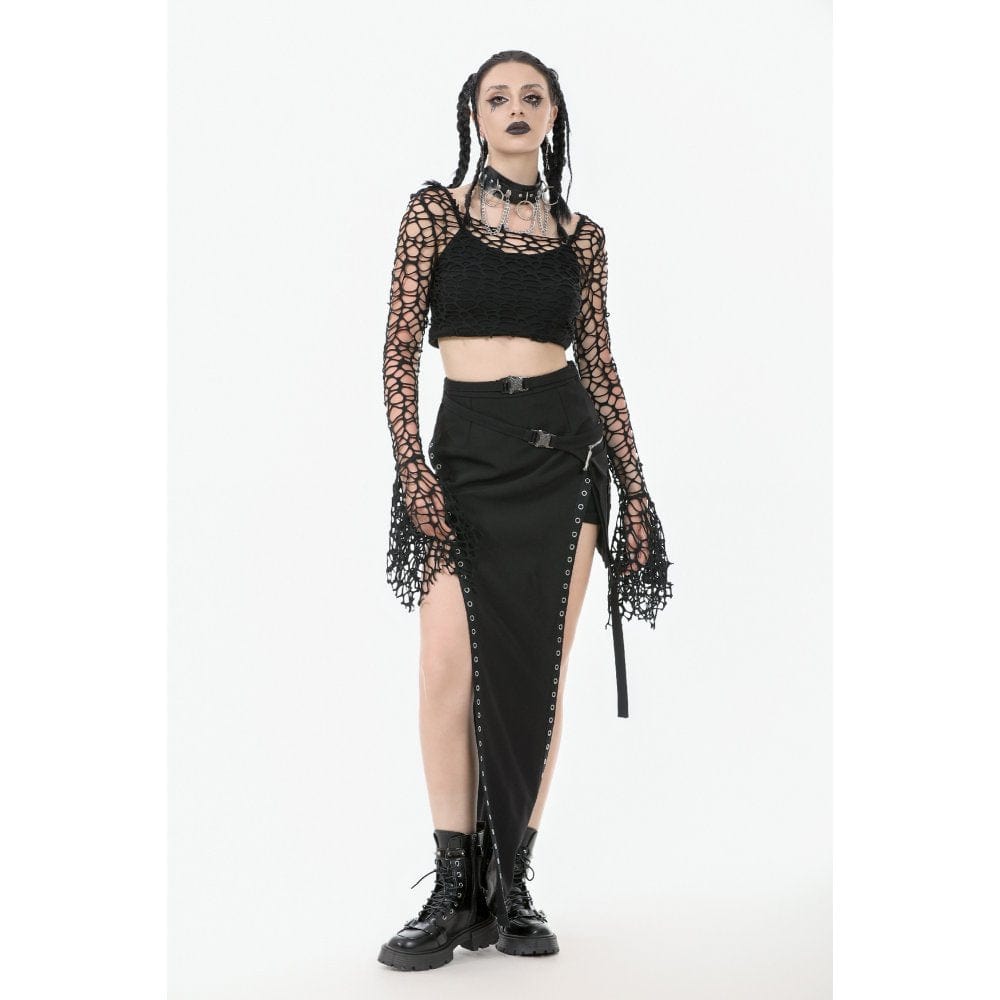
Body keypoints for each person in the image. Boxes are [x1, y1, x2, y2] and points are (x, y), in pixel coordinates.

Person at [377, 50, 674, 972]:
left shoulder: (581, 238)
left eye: (531, 97)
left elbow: (602, 365)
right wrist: (411, 465)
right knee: (445, 667)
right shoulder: (435, 214)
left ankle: (512, 884)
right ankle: (451, 886)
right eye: (497, 97)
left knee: (536, 676)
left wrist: (637, 492)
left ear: (552, 116)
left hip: (561, 460)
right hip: (464, 457)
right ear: (474, 114)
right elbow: (397, 347)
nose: (515, 108)